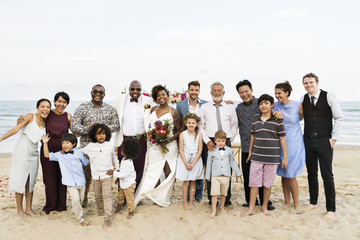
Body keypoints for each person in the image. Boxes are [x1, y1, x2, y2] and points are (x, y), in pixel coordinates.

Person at [17, 92, 72, 214]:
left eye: (64, 102)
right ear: (54, 101)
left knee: (62, 177)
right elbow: (35, 119)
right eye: (59, 101)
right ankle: (51, 205)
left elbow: (75, 133)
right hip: (48, 148)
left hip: (64, 150)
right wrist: (21, 119)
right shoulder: (48, 114)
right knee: (49, 178)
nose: (61, 104)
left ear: (67, 104)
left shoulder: (68, 116)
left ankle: (61, 205)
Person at [301, 73, 343, 219]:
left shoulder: (329, 96)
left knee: (327, 175)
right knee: (311, 173)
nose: (308, 85)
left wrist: (334, 139)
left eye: (311, 82)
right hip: (308, 141)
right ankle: (313, 202)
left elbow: (338, 118)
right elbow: (300, 116)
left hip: (325, 140)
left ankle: (331, 209)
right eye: (305, 83)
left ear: (317, 83)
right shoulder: (303, 98)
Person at [71, 84, 120, 207]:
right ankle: (84, 200)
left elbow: (116, 125)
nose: (98, 94)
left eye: (101, 92)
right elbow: (73, 126)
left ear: (104, 94)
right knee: (86, 177)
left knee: (104, 176)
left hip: (104, 150)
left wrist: (101, 129)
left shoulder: (110, 109)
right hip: (86, 149)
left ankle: (104, 202)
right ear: (91, 93)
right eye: (95, 91)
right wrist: (89, 129)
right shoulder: (83, 108)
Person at [0, 98, 51, 217]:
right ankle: (19, 210)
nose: (45, 109)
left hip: (34, 153)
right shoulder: (30, 116)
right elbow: (17, 128)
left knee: (31, 181)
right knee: (20, 180)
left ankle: (28, 209)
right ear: (37, 108)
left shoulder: (45, 123)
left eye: (48, 107)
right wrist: (1, 139)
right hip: (22, 151)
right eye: (42, 106)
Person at [134, 84, 181, 207]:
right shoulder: (153, 110)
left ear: (167, 96)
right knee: (152, 170)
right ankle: (153, 195)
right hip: (154, 145)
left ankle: (163, 197)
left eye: (163, 94)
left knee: (169, 170)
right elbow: (148, 124)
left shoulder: (174, 112)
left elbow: (179, 130)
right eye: (159, 95)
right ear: (155, 97)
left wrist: (168, 139)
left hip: (170, 146)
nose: (161, 97)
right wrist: (154, 138)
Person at [242, 94, 288, 217]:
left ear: (272, 105)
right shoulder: (255, 118)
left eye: (266, 103)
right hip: (256, 156)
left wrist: (285, 157)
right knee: (254, 183)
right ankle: (251, 208)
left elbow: (282, 139)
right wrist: (250, 152)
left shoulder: (277, 119)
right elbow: (253, 136)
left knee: (267, 184)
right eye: (261, 103)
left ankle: (264, 207)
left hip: (272, 158)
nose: (263, 105)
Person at [235, 80, 276, 210]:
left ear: (252, 90)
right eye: (241, 92)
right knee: (248, 176)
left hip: (261, 148)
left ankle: (266, 202)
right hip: (246, 146)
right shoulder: (238, 108)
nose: (244, 94)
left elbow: (272, 114)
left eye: (246, 91)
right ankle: (251, 201)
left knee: (264, 176)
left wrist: (278, 114)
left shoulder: (261, 103)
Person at [199, 81, 238, 207]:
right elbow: (201, 127)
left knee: (227, 170)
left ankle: (226, 199)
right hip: (210, 141)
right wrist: (208, 141)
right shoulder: (204, 108)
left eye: (219, 91)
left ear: (223, 93)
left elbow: (234, 125)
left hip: (225, 140)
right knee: (211, 170)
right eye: (214, 91)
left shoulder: (230, 107)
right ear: (211, 93)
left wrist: (228, 141)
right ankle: (212, 199)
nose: (216, 93)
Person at [113, 80, 153, 195]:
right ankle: (123, 196)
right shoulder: (120, 99)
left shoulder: (148, 101)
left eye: (138, 89)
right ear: (129, 89)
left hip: (141, 139)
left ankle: (135, 195)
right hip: (124, 139)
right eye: (133, 89)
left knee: (139, 167)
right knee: (123, 166)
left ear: (141, 90)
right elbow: (114, 116)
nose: (135, 91)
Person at [42, 133, 90, 226]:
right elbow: (47, 155)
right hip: (70, 182)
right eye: (63, 143)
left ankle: (73, 213)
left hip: (81, 181)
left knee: (80, 200)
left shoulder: (79, 152)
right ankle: (80, 219)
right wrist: (45, 143)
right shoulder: (60, 155)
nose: (64, 145)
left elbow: (86, 162)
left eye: (67, 143)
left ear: (74, 144)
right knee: (76, 200)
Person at [274, 81, 305, 213]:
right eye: (275, 93)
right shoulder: (274, 105)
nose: (277, 96)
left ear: (287, 93)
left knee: (291, 173)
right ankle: (287, 202)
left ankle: (296, 204)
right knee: (284, 174)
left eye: (279, 93)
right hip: (279, 142)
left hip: (294, 142)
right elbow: (260, 105)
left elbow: (307, 118)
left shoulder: (298, 105)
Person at [82, 124, 119, 228]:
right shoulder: (90, 147)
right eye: (99, 134)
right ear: (94, 136)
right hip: (95, 176)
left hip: (107, 175)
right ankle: (101, 211)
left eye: (103, 133)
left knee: (107, 195)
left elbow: (115, 159)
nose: (101, 136)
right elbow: (79, 152)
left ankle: (107, 217)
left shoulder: (110, 145)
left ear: (106, 134)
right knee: (98, 196)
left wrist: (116, 170)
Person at [176, 80, 207, 202]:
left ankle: (198, 197)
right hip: (187, 139)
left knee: (199, 168)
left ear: (199, 91)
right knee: (187, 173)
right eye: (192, 90)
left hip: (201, 138)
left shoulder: (205, 104)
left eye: (196, 90)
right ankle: (188, 198)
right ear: (188, 91)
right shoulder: (181, 105)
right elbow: (177, 122)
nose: (194, 92)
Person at [206, 130, 241, 219]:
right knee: (214, 193)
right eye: (219, 141)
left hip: (226, 175)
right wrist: (208, 176)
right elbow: (209, 164)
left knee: (224, 193)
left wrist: (238, 173)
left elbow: (232, 162)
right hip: (215, 175)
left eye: (223, 141)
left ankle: (221, 207)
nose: (221, 143)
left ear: (225, 141)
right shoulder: (211, 151)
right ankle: (214, 210)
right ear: (215, 141)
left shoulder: (229, 151)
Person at [175, 113, 204, 210]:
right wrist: (186, 163)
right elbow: (181, 150)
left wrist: (193, 163)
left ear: (196, 124)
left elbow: (200, 150)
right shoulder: (182, 134)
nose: (191, 124)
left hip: (195, 160)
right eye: (189, 123)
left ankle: (191, 202)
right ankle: (185, 203)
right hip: (185, 159)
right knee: (186, 182)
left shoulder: (199, 135)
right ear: (185, 123)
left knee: (193, 182)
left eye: (193, 123)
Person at [107, 138, 140, 219]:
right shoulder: (123, 159)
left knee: (129, 199)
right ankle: (118, 209)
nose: (121, 150)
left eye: (123, 149)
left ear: (127, 152)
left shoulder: (129, 163)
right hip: (123, 183)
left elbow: (124, 174)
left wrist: (113, 172)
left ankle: (131, 212)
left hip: (129, 184)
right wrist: (118, 178)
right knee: (120, 196)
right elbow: (121, 172)